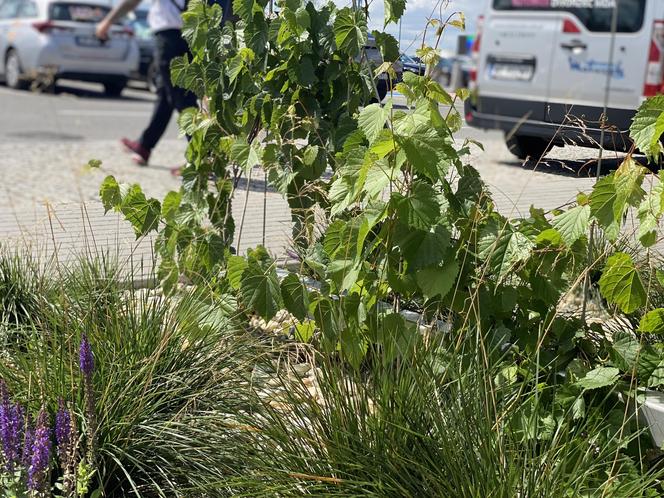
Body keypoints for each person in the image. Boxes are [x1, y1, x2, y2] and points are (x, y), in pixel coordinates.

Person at [96, 0, 197, 166]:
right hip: (187, 35)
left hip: (169, 36)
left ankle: (202, 159)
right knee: (165, 94)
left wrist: (107, 22)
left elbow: (131, 2)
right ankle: (144, 146)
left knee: (182, 97)